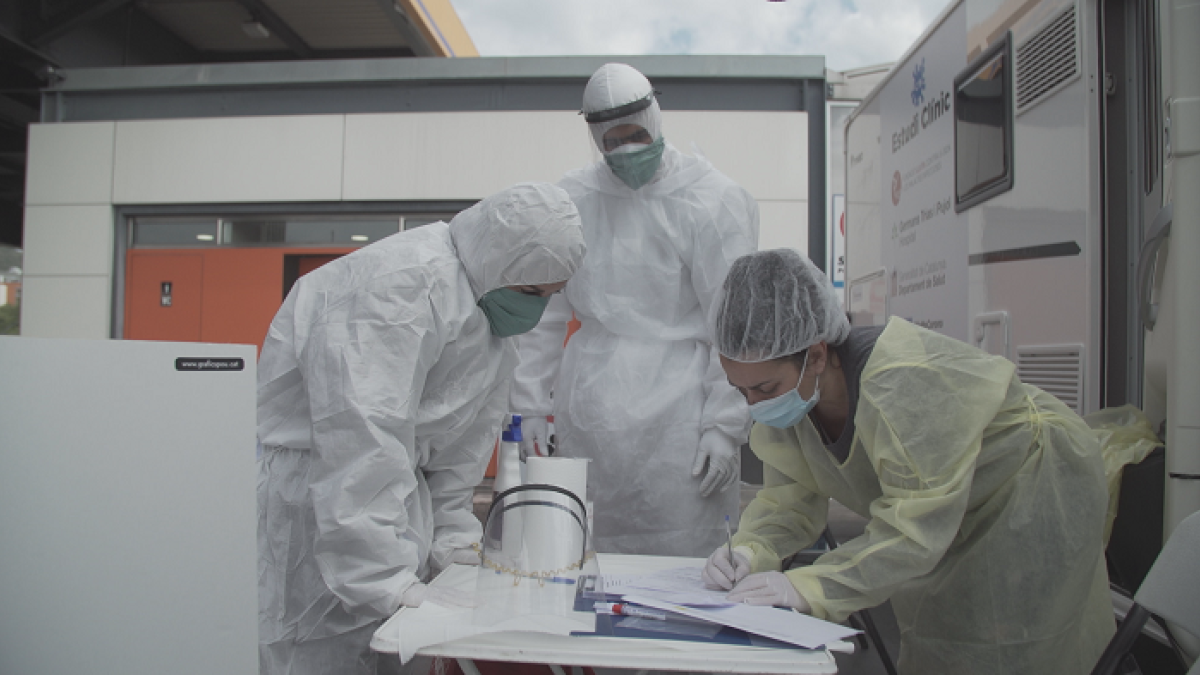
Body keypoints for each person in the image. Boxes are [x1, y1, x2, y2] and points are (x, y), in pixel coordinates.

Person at [702, 249, 1121, 674]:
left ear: (816, 355)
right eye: (742, 392)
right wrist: (753, 550)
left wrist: (808, 586)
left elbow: (913, 530)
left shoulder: (900, 385)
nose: (754, 406)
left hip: (1029, 482)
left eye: (764, 388)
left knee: (1013, 645)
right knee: (945, 636)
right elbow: (788, 502)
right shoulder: (791, 399)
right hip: (951, 505)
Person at [257, 183, 586, 675]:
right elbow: (360, 441)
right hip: (314, 503)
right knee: (316, 649)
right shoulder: (400, 287)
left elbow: (460, 449)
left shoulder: (488, 312)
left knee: (395, 645)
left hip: (392, 503)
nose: (537, 310)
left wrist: (454, 550)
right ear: (498, 260)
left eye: (550, 296)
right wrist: (384, 578)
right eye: (531, 293)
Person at [510, 63, 759, 556]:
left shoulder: (712, 200)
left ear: (656, 118)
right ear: (595, 138)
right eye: (612, 142)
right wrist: (529, 407)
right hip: (592, 409)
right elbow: (546, 310)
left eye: (636, 135)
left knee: (682, 554)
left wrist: (725, 427)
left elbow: (731, 323)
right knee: (588, 548)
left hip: (681, 413)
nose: (626, 151)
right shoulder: (575, 198)